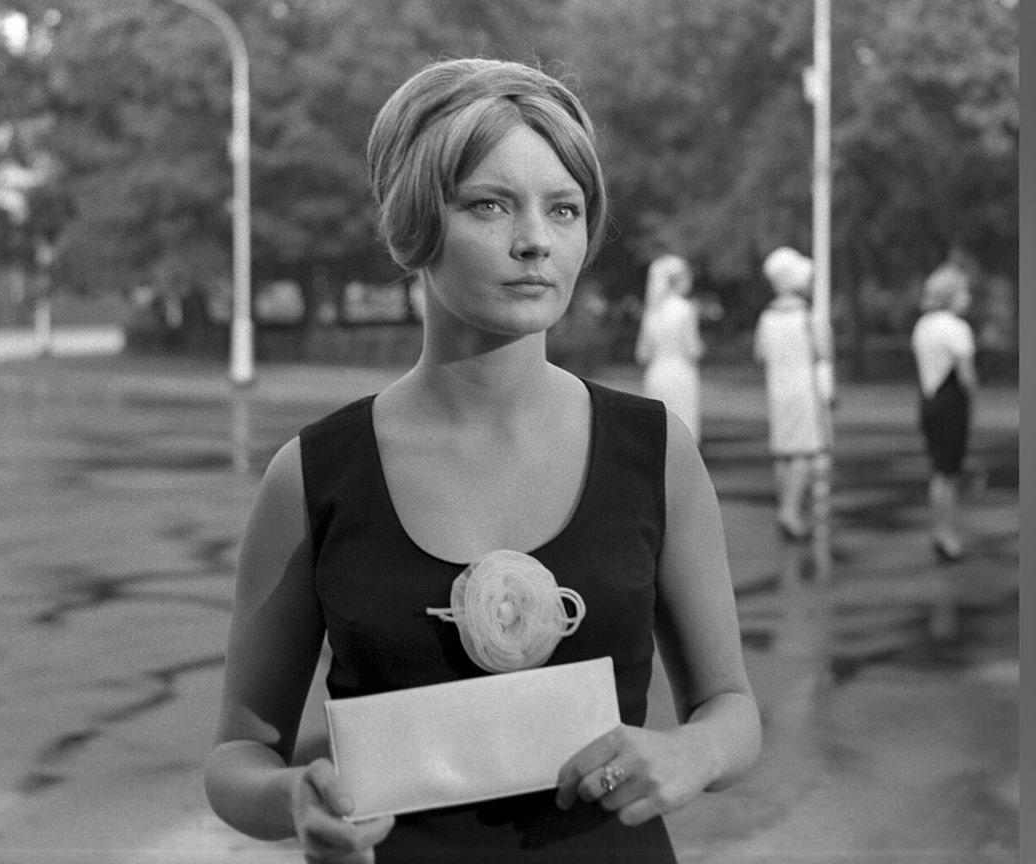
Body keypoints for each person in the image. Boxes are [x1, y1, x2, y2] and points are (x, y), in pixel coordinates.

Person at [204, 57, 761, 863]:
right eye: (489, 205)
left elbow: (731, 707)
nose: (535, 241)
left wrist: (695, 753)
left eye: (564, 209)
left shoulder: (655, 450)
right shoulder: (314, 475)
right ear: (414, 224)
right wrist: (291, 798)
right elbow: (236, 757)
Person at [753, 246, 833, 541]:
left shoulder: (767, 317)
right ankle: (791, 511)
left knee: (783, 452)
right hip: (803, 390)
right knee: (804, 451)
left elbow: (760, 354)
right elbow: (824, 352)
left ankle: (786, 506)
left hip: (777, 389)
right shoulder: (809, 316)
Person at [910, 263, 977, 561]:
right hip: (951, 403)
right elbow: (967, 376)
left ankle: (941, 531)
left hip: (928, 401)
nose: (968, 297)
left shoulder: (923, 325)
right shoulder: (957, 329)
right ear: (951, 295)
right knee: (948, 473)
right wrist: (973, 398)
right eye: (964, 291)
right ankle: (946, 535)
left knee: (939, 471)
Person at [635, 254, 705, 441]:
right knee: (683, 429)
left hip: (656, 374)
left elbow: (642, 354)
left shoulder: (652, 311)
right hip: (681, 373)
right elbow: (693, 349)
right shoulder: (686, 309)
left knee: (659, 432)